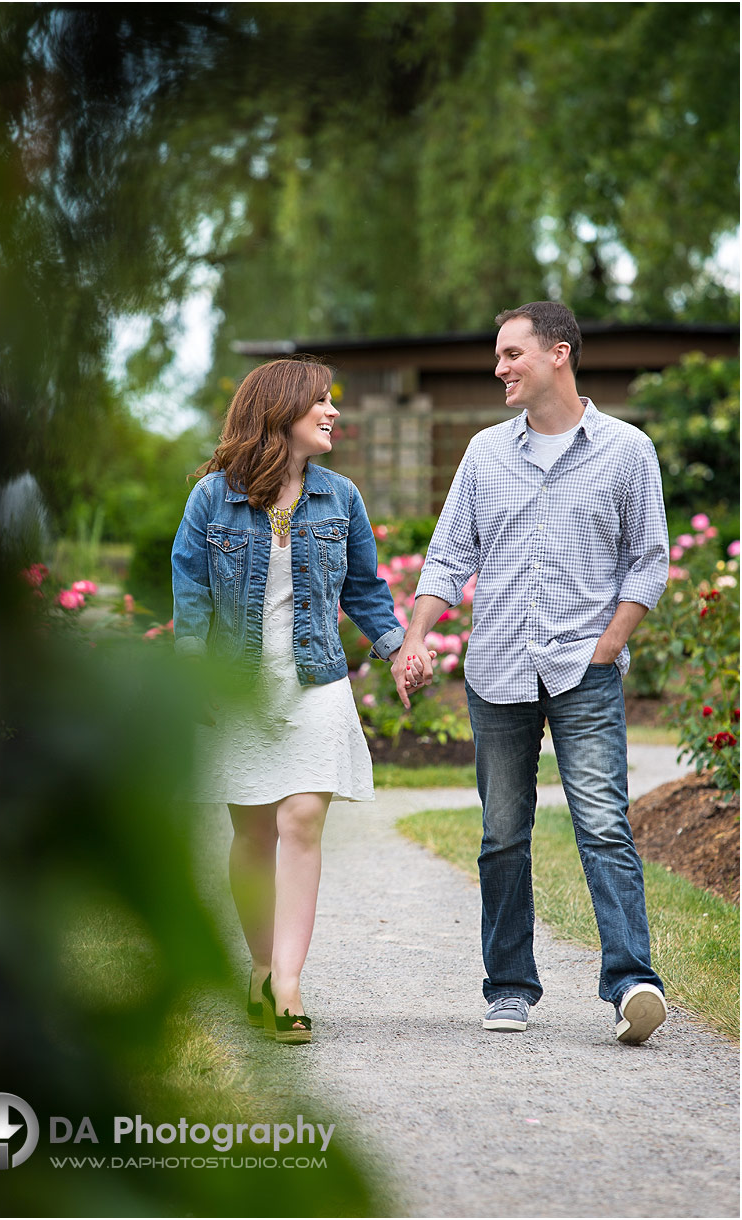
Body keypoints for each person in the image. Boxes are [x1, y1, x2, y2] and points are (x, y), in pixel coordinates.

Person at [392, 301, 670, 1044]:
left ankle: (631, 982)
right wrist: (416, 637)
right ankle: (510, 985)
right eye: (496, 355)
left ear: (558, 354)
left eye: (511, 353)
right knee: (501, 834)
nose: (498, 367)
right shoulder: (485, 453)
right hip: (497, 671)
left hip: (585, 670)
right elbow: (449, 556)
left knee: (603, 825)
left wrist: (606, 649)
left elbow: (648, 561)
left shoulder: (624, 451)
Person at [172, 358, 405, 1044]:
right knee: (251, 833)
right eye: (321, 402)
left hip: (316, 682)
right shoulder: (211, 499)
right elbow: (189, 599)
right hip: (236, 685)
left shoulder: (342, 498)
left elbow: (364, 589)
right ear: (278, 413)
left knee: (301, 819)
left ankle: (288, 982)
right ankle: (260, 966)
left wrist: (398, 651)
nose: (333, 413)